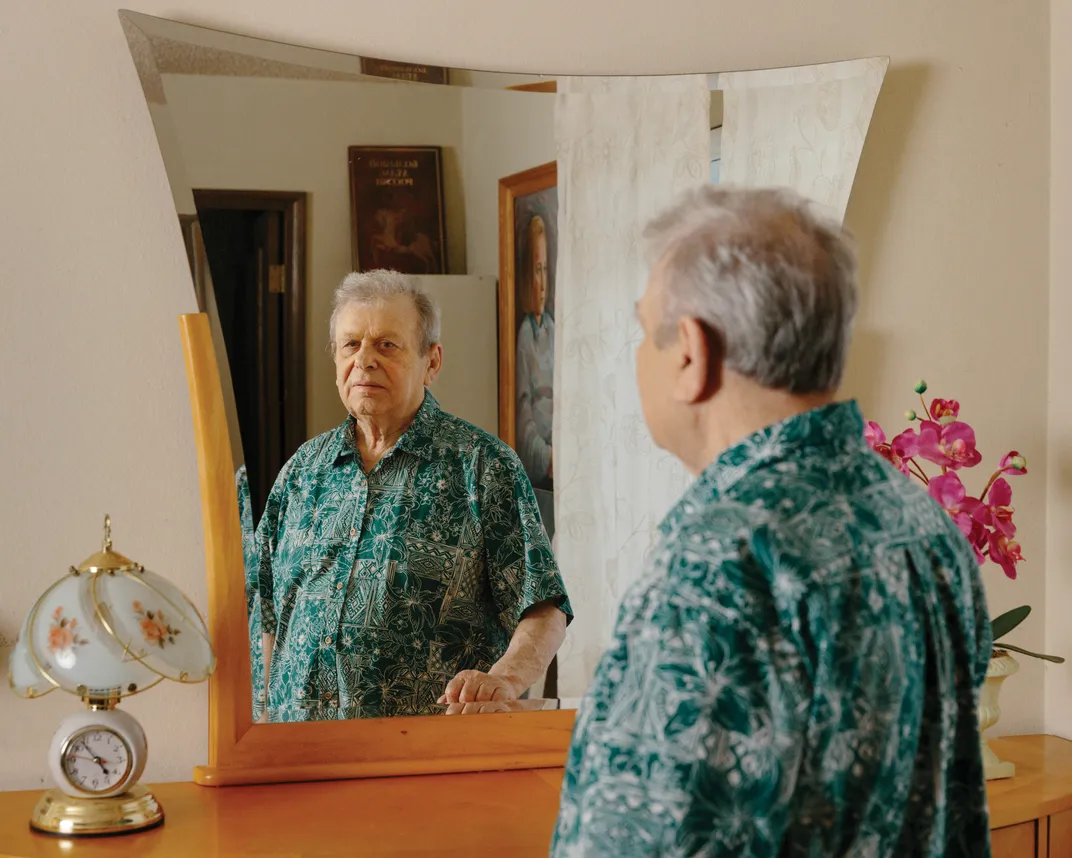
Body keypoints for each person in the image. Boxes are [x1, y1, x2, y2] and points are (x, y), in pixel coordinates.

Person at [552, 186, 992, 856]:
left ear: (692, 354)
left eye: (645, 333)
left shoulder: (720, 559)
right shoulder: (919, 524)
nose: (639, 353)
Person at [256, 269, 571, 722]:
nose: (364, 360)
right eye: (351, 344)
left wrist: (505, 678)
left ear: (432, 362)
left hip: (425, 760)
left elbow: (543, 608)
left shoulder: (482, 466)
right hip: (297, 758)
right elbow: (263, 614)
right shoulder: (302, 472)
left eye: (387, 344)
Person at [515, 214, 554, 489]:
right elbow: (522, 410)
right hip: (542, 458)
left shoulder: (552, 327)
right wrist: (546, 456)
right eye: (535, 270)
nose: (541, 283)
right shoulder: (525, 335)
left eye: (545, 270)